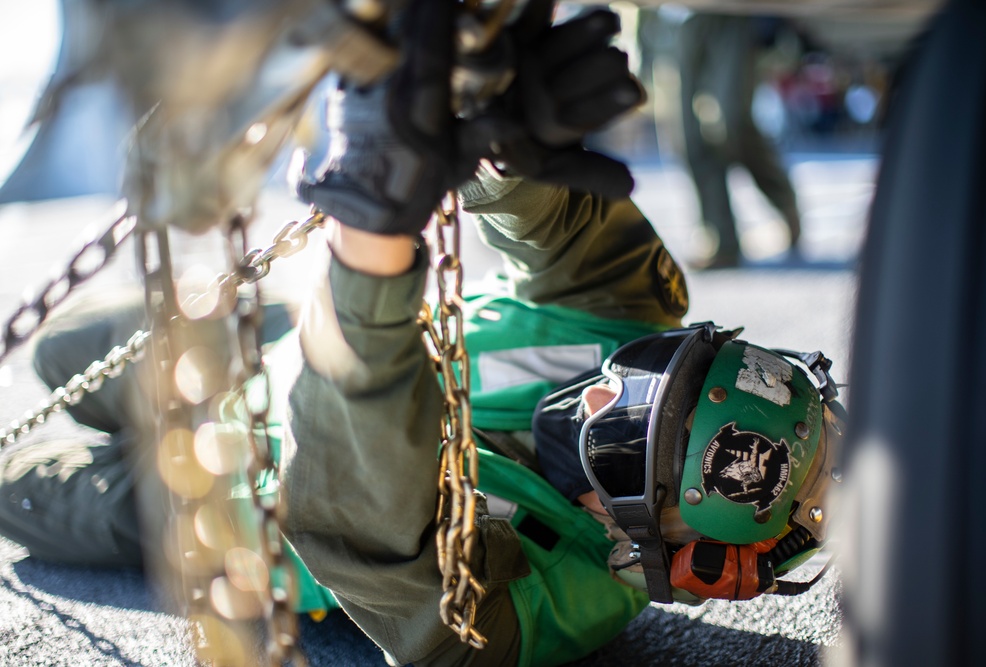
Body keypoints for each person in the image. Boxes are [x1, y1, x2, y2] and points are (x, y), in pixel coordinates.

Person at [0, 2, 842, 665]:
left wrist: (372, 232)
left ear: (651, 544)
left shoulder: (536, 613)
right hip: (273, 347)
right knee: (58, 348)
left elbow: (376, 517)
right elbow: (565, 223)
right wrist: (501, 129)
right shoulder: (624, 312)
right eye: (660, 367)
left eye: (624, 441)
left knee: (12, 487)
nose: (601, 396)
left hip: (225, 492)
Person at [674, 12, 803, 269]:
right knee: (689, 135)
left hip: (729, 11)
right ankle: (721, 238)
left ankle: (783, 199)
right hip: (675, 15)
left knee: (730, 122)